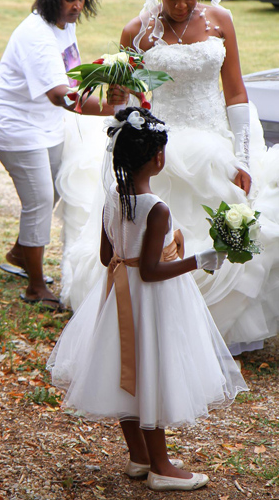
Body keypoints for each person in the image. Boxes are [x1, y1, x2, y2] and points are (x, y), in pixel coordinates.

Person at [58, 0, 279, 354]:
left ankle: (218, 330)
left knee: (232, 222)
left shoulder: (221, 21)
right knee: (156, 233)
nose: (181, 6)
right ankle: (161, 327)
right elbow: (131, 106)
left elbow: (235, 92)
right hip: (161, 147)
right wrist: (120, 101)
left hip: (214, 140)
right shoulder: (136, 32)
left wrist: (242, 157)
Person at [47, 107, 247, 491]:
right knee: (151, 373)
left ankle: (139, 456)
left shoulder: (113, 197)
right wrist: (199, 260)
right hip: (152, 303)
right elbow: (151, 271)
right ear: (158, 157)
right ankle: (161, 467)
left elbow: (107, 257)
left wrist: (135, 257)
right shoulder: (156, 208)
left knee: (125, 374)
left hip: (118, 298)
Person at [0, 0, 125, 308]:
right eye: (69, 0)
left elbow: (71, 76)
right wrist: (112, 108)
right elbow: (62, 96)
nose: (76, 7)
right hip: (13, 124)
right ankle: (35, 286)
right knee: (40, 199)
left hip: (45, 122)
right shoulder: (37, 36)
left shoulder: (64, 24)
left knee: (55, 186)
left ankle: (20, 251)